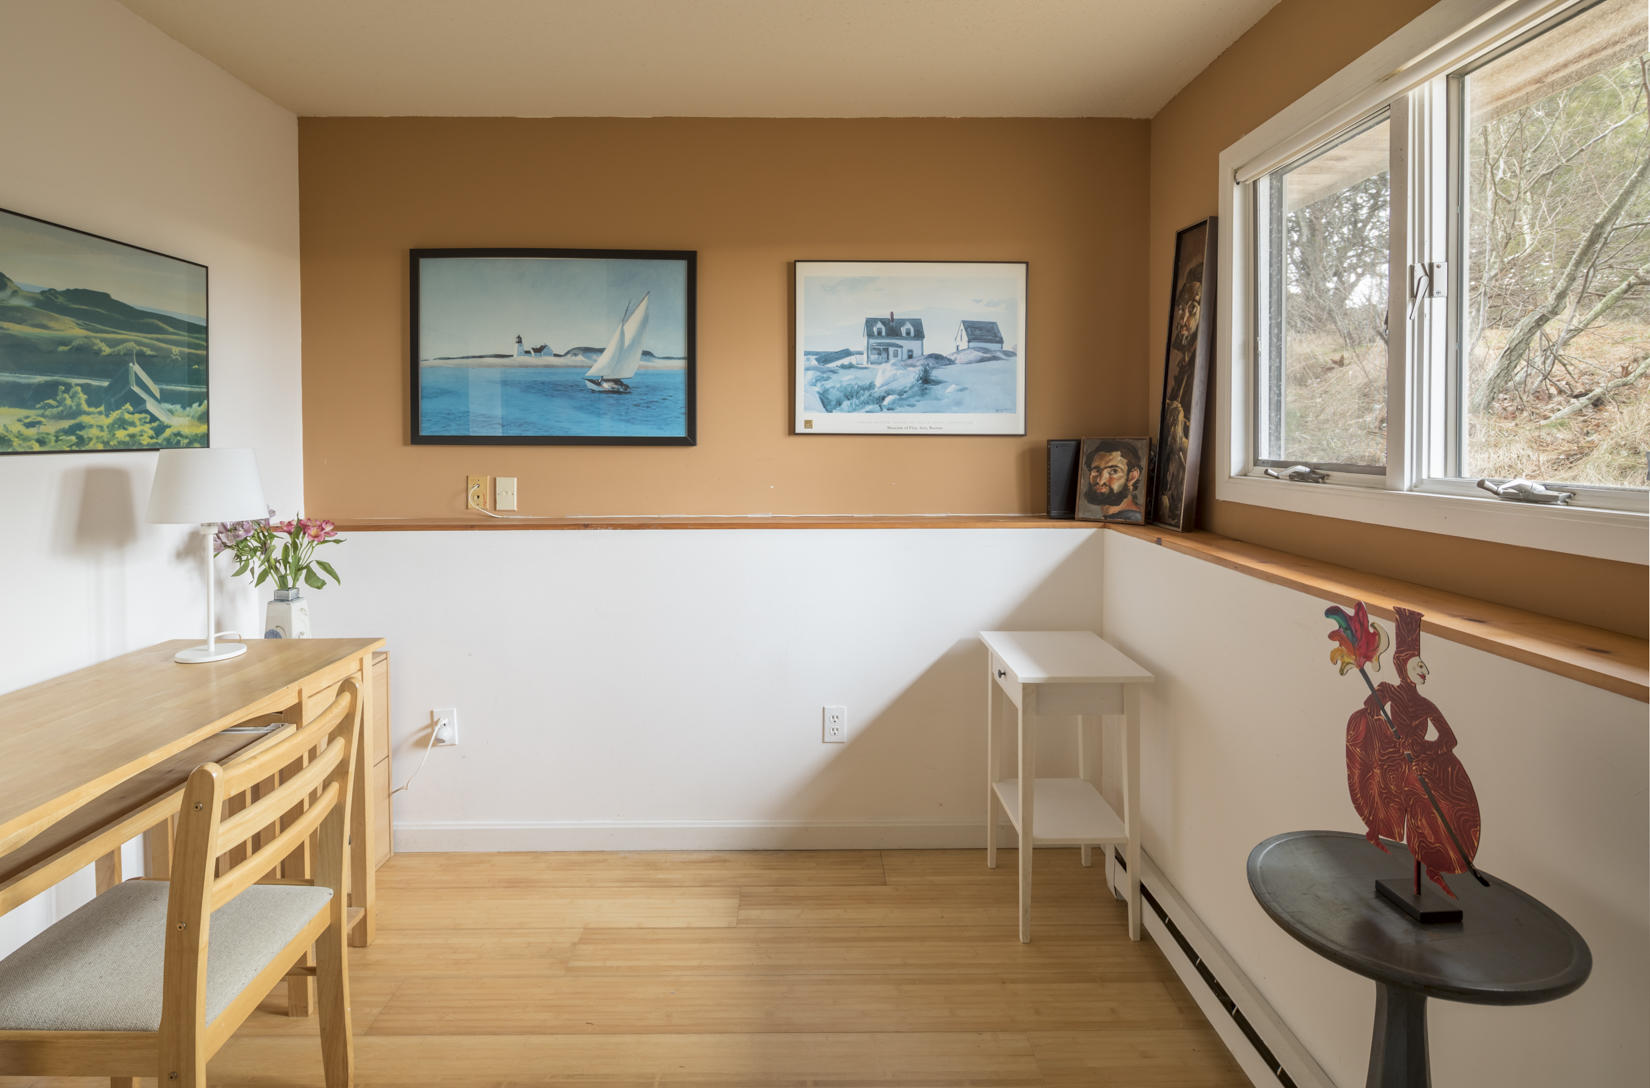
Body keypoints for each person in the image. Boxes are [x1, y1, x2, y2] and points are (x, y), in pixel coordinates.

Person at [1081, 440, 1144, 522]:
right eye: (1096, 470)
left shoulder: (1132, 521)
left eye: (1114, 471)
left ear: (1132, 476)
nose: (1100, 480)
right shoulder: (1110, 518)